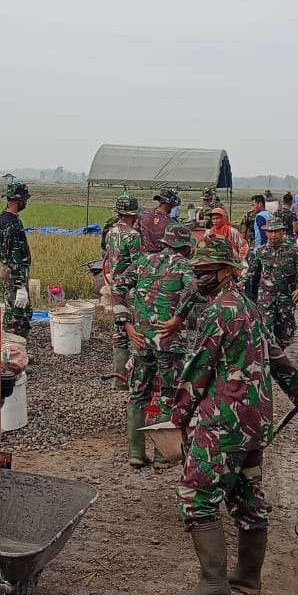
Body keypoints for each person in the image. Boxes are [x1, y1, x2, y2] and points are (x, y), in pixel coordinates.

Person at [170, 237, 298, 595]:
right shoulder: (249, 307)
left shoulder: (221, 312)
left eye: (206, 272)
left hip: (224, 422)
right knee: (246, 495)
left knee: (196, 494)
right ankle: (248, 576)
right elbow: (276, 355)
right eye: (197, 271)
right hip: (254, 422)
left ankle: (213, 583)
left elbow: (198, 368)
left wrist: (179, 415)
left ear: (228, 272)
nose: (200, 277)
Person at [117, 228, 196, 468]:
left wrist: (127, 324)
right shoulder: (183, 265)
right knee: (169, 395)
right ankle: (163, 456)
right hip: (168, 341)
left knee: (138, 393)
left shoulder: (143, 261)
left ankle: (136, 453)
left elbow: (118, 286)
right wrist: (178, 318)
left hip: (141, 338)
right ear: (184, 247)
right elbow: (193, 288)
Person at [241, 219, 298, 348]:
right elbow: (252, 270)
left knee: (284, 331)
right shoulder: (261, 251)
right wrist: (241, 282)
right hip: (266, 297)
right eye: (270, 232)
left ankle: (280, 353)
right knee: (265, 327)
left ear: (282, 231)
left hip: (286, 296)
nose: (273, 235)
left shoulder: (294, 250)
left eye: (276, 231)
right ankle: (268, 357)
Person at [103, 193, 142, 391]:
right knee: (134, 331)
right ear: (132, 214)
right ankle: (134, 377)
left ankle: (119, 379)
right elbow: (138, 266)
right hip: (130, 289)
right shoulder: (133, 236)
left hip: (114, 286)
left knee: (119, 333)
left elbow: (108, 259)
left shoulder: (111, 232)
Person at [0, 181, 33, 339]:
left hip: (14, 274)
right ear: (19, 201)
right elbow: (13, 257)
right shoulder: (11, 225)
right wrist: (20, 287)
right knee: (14, 317)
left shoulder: (5, 218)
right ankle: (11, 355)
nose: (26, 203)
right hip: (14, 275)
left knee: (23, 315)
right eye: (25, 200)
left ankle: (21, 352)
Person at [137, 187, 183, 253]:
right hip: (161, 260)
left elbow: (135, 235)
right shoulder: (172, 223)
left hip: (144, 259)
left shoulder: (142, 216)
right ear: (171, 204)